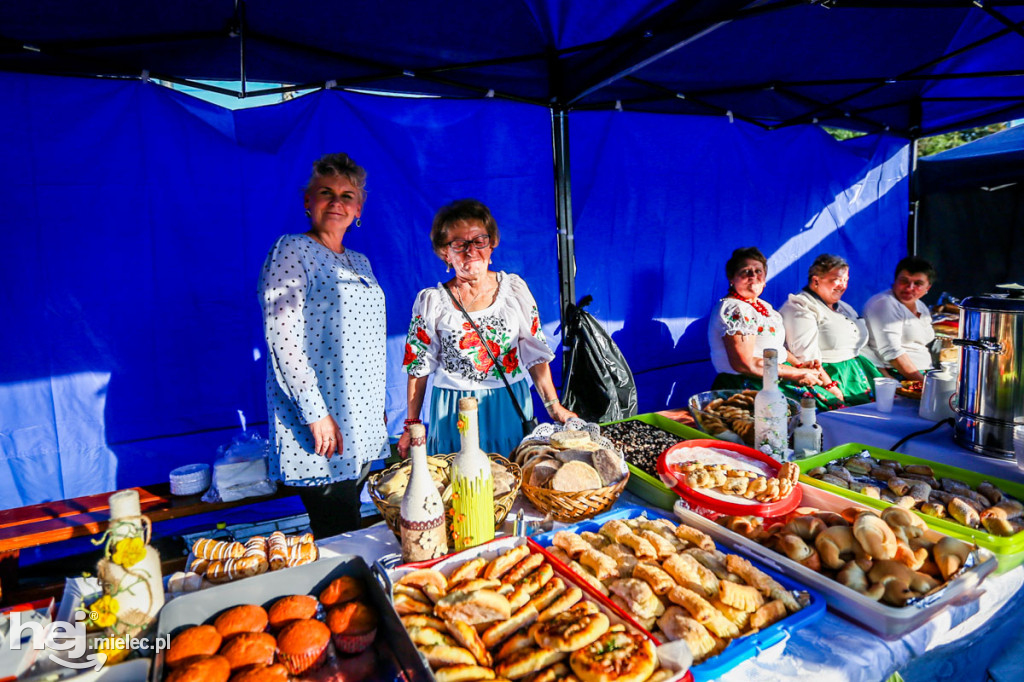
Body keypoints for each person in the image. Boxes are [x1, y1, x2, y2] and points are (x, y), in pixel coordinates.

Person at [258, 153, 388, 538]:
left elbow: (367, 341)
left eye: (347, 196)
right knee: (338, 530)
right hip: (323, 423)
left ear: (358, 209)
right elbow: (283, 339)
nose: (337, 202)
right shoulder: (292, 250)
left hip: (362, 422)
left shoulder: (360, 262)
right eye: (326, 193)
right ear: (308, 202)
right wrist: (315, 413)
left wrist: (376, 408)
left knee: (355, 525)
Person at [398, 199, 576, 458]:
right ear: (445, 253)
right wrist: (412, 424)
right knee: (459, 485)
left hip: (507, 406)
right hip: (452, 411)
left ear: (492, 244)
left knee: (511, 482)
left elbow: (535, 355)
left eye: (479, 240)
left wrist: (553, 406)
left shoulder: (514, 291)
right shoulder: (431, 302)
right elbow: (418, 366)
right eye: (459, 244)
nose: (471, 250)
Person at [708, 247, 844, 409]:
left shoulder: (762, 306)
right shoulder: (734, 309)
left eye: (758, 271)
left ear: (765, 279)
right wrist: (795, 373)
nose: (753, 276)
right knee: (809, 415)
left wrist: (801, 366)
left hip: (773, 375)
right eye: (746, 271)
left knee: (831, 406)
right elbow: (744, 364)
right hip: (747, 383)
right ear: (732, 278)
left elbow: (776, 348)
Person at [780, 254, 883, 406]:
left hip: (857, 374)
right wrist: (829, 387)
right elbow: (806, 359)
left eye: (845, 280)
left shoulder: (844, 307)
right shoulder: (799, 307)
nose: (843, 285)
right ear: (816, 281)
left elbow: (858, 346)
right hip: (830, 376)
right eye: (837, 279)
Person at [862, 256, 937, 382]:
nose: (909, 288)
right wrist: (925, 386)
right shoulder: (884, 303)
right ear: (895, 280)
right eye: (904, 281)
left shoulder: (920, 306)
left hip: (924, 373)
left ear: (927, 288)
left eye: (918, 284)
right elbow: (893, 353)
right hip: (901, 375)